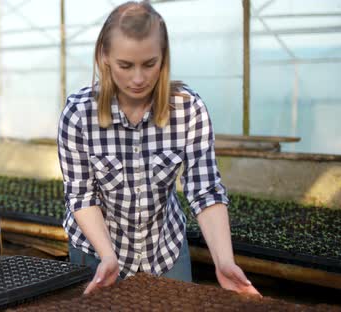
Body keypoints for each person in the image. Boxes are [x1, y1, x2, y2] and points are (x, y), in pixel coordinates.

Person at [57, 1, 261, 296]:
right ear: (104, 56)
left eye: (149, 64)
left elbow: (205, 190)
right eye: (125, 65)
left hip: (164, 250)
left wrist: (224, 261)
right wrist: (108, 256)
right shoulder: (79, 114)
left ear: (163, 58)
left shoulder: (188, 109)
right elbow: (81, 196)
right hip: (96, 252)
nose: (138, 79)